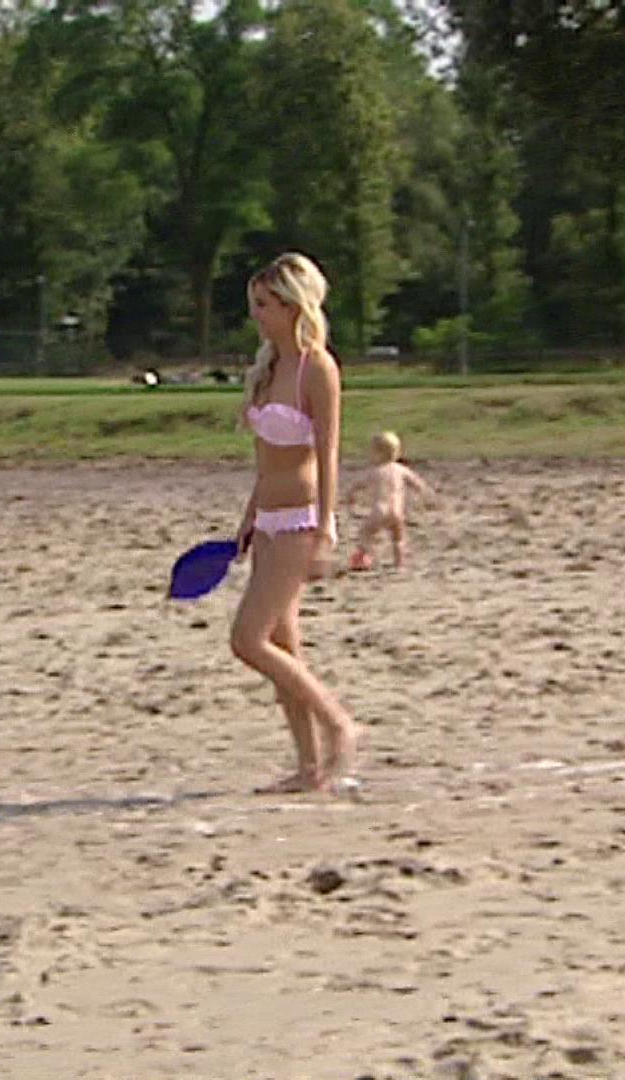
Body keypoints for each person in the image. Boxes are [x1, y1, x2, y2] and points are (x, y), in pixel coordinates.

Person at [231, 252, 364, 795]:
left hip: (301, 521)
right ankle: (309, 768)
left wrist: (327, 529)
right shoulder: (268, 370)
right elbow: (265, 462)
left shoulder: (317, 368)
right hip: (267, 520)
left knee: (247, 639)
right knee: (283, 646)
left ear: (292, 306)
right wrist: (248, 517)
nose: (256, 315)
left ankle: (339, 722)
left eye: (264, 304)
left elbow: (328, 455)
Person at [346, 431, 435, 571]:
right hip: (397, 511)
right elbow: (418, 483)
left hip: (380, 510)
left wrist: (350, 495)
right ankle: (399, 563)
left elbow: (358, 485)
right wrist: (428, 495)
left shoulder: (376, 471)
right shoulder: (401, 469)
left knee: (364, 534)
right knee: (398, 539)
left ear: (377, 454)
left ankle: (367, 555)